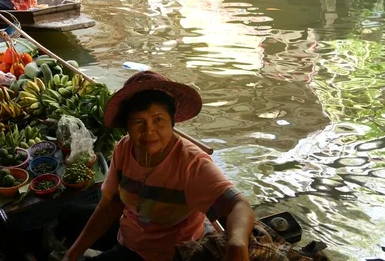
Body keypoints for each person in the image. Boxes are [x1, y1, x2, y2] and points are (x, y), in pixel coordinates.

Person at [57, 71, 255, 261]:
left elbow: (239, 206)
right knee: (66, 215)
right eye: (138, 122)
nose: (149, 130)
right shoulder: (125, 148)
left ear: (172, 121)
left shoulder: (191, 164)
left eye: (158, 119)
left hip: (165, 254)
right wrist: (72, 254)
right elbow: (111, 206)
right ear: (127, 125)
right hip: (129, 230)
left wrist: (237, 244)